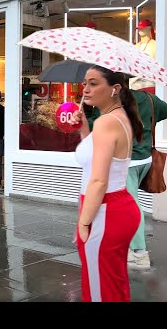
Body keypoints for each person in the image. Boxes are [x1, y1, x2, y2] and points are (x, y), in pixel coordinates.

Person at [71, 65, 143, 302]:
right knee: (111, 282)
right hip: (113, 208)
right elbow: (97, 162)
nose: (86, 89)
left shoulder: (106, 123)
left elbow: (99, 180)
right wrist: (84, 130)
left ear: (115, 89)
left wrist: (83, 223)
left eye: (93, 83)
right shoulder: (113, 118)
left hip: (105, 210)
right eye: (85, 83)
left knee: (99, 289)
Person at [86, 87, 167, 270]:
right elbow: (163, 111)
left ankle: (139, 254)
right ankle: (126, 247)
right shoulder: (149, 98)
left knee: (131, 205)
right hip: (145, 159)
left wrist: (86, 111)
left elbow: (93, 127)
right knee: (122, 204)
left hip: (127, 163)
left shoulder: (109, 101)